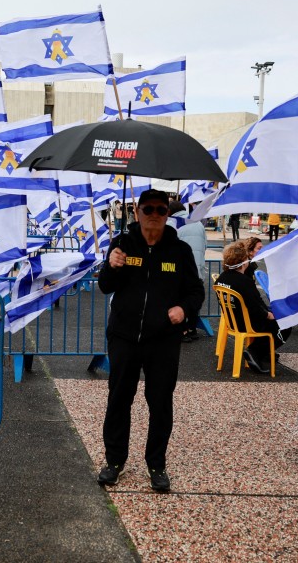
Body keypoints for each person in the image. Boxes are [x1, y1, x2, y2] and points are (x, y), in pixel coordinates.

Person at [95, 190, 204, 492]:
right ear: (137, 212)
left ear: (168, 214)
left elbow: (196, 291)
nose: (154, 214)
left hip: (162, 342)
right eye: (148, 209)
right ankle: (114, 461)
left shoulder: (179, 251)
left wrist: (184, 310)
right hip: (124, 337)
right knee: (119, 399)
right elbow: (105, 286)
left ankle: (156, 464)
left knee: (160, 403)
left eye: (161, 209)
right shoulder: (122, 244)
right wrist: (111, 264)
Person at [214, 241, 287, 374]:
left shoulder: (221, 279)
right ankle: (255, 352)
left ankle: (261, 352)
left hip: (233, 321)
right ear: (243, 262)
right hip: (247, 323)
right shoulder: (244, 282)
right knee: (285, 324)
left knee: (273, 319)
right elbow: (255, 307)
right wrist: (269, 315)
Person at [169, 201, 207, 342]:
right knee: (194, 297)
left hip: (181, 269)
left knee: (179, 299)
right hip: (198, 266)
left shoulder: (173, 223)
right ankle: (192, 329)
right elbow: (205, 244)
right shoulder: (197, 223)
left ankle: (183, 330)